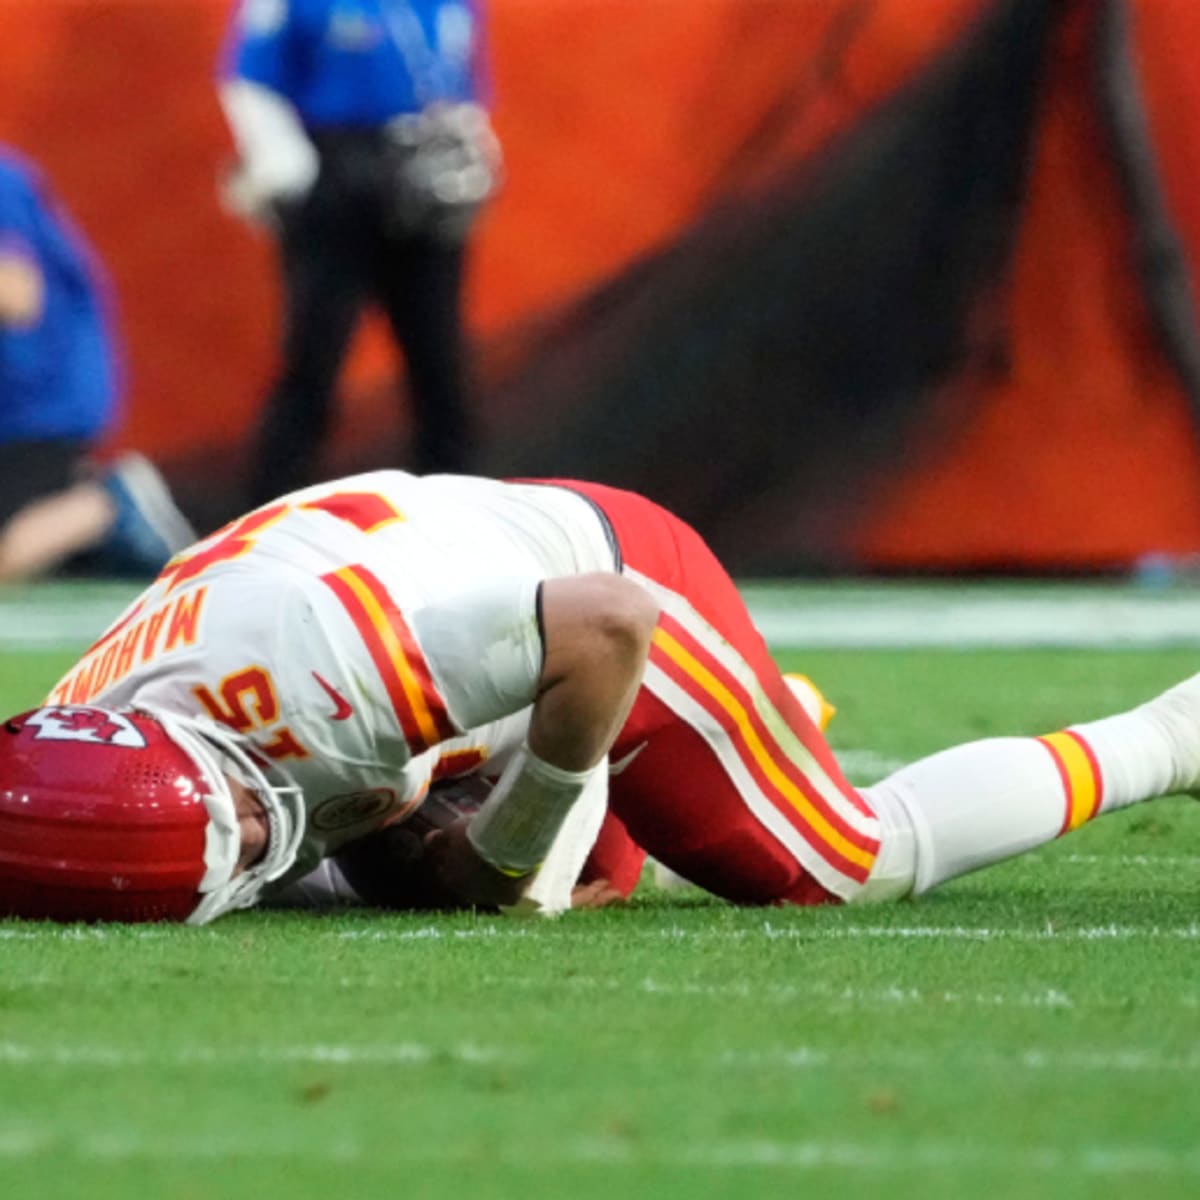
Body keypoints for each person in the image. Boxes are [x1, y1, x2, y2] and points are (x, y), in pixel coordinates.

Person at [1, 468, 1198, 924]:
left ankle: (1169, 736)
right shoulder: (71, 744)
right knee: (416, 869)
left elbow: (607, 620)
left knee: (827, 863)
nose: (262, 834)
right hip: (439, 596)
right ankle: (748, 729)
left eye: (246, 819)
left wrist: (508, 854)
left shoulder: (335, 691)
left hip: (595, 578)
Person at [218, 0, 501, 507]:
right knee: (313, 363)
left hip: (425, 176)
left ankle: (463, 519)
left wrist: (474, 144)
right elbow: (251, 78)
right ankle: (263, 520)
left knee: (441, 363)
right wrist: (286, 163)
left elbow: (462, 78)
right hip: (337, 179)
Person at [0, 145, 196, 582]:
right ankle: (78, 533)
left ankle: (107, 505)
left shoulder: (2, 181)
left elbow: (16, 295)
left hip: (40, 405)